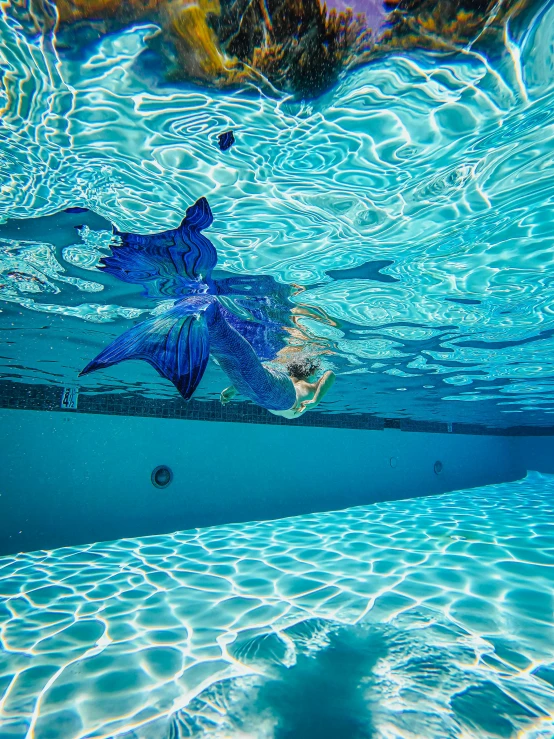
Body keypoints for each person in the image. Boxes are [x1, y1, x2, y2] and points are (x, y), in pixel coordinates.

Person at [79, 197, 336, 419]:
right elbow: (330, 375)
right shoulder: (305, 390)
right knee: (232, 351)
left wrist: (232, 390)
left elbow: (251, 374)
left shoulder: (287, 379)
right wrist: (315, 400)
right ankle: (206, 307)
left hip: (254, 389)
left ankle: (187, 286)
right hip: (273, 395)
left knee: (230, 356)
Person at [220, 356, 335, 418]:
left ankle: (239, 384)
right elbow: (330, 374)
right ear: (312, 372)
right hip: (285, 400)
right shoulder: (312, 386)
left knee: (261, 375)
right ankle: (240, 383)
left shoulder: (293, 380)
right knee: (260, 376)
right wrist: (315, 401)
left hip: (271, 401)